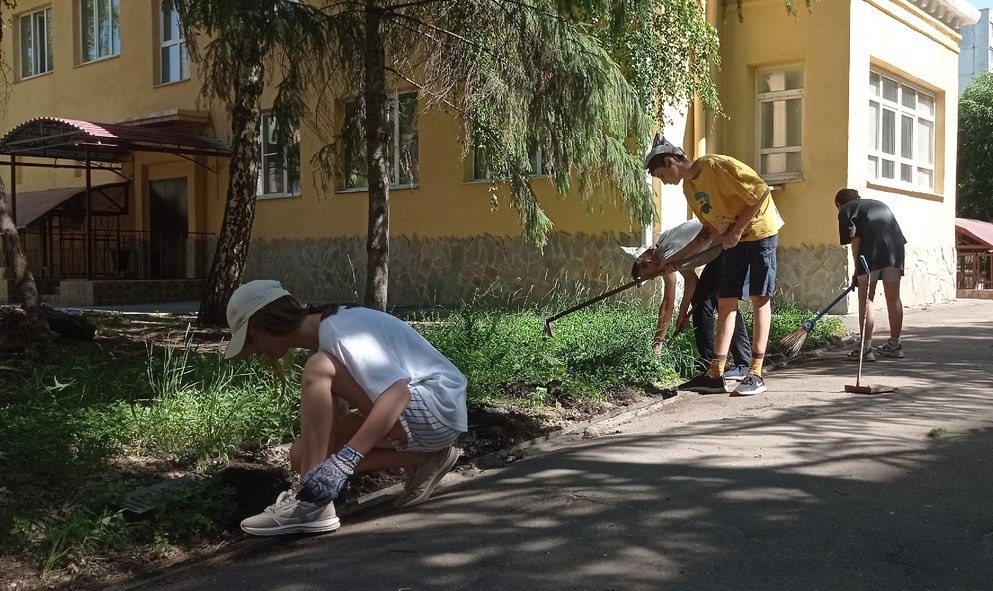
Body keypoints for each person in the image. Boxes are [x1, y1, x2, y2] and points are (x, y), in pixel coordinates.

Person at [224, 280, 467, 536]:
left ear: (265, 324)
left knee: (318, 367)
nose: (255, 352)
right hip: (428, 422)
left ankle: (310, 505)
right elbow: (333, 422)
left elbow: (397, 393)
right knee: (301, 454)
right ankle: (427, 457)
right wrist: (322, 467)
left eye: (251, 341)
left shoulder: (339, 331)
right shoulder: (325, 336)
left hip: (435, 408)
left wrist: (345, 461)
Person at [643, 134, 784, 396]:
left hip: (761, 233)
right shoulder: (689, 188)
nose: (664, 182)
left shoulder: (716, 166)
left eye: (662, 175)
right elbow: (707, 234)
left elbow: (762, 191)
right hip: (734, 242)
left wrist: (737, 230)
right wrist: (674, 260)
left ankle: (755, 372)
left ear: (672, 161)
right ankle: (715, 373)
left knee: (759, 298)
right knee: (726, 300)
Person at [630, 219, 752, 388]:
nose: (652, 277)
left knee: (723, 302)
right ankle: (710, 362)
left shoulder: (665, 257)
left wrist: (658, 343)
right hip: (720, 250)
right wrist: (682, 314)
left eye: (649, 275)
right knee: (703, 301)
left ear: (648, 262)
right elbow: (691, 280)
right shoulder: (663, 248)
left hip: (730, 246)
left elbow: (667, 303)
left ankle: (737, 364)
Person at [835, 188, 906, 360]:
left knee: (867, 298)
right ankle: (895, 345)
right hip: (895, 249)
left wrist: (856, 269)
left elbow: (856, 240)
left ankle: (865, 349)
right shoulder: (878, 204)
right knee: (893, 298)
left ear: (839, 204)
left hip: (871, 250)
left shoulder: (847, 209)